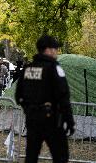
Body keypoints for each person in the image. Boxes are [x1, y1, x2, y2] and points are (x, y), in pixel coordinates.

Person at [15, 35, 75, 163]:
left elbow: (18, 95)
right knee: (60, 156)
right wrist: (69, 121)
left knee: (31, 155)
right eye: (55, 48)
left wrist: (29, 109)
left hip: (32, 119)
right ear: (48, 50)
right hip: (52, 120)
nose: (57, 51)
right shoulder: (54, 68)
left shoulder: (28, 68)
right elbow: (63, 96)